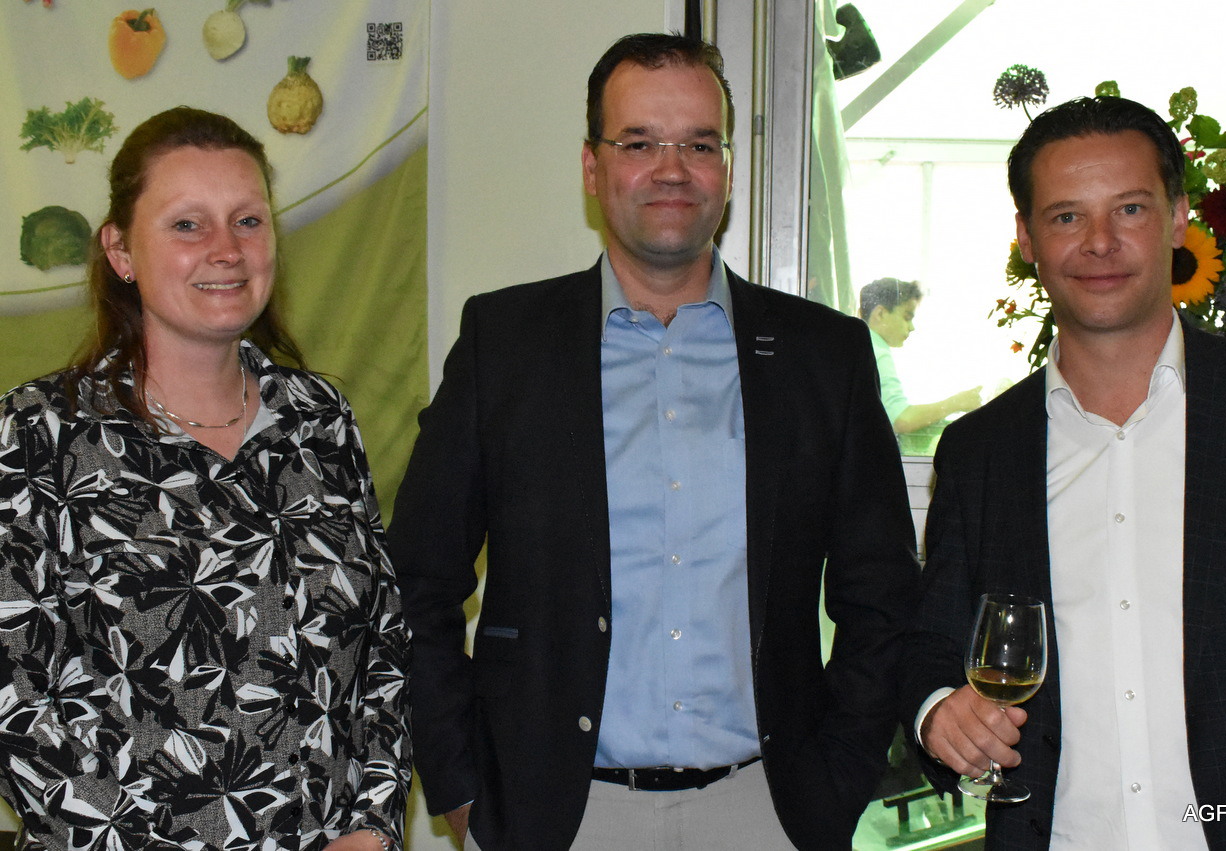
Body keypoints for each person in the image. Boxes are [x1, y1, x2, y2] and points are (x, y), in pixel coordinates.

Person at [388, 32, 920, 851]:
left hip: (767, 812)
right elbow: (416, 581)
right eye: (639, 143)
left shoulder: (824, 356)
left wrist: (840, 777)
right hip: (562, 819)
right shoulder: (505, 344)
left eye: (699, 144)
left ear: (728, 170)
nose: (672, 169)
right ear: (592, 167)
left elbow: (881, 593)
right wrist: (461, 786)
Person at [0, 107, 411, 851]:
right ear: (121, 250)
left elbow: (381, 645)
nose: (226, 249)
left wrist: (371, 823)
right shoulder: (37, 436)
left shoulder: (318, 419)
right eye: (187, 225)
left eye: (248, 220)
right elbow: (16, 704)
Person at [901, 95, 1226, 849]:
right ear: (1027, 238)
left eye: (1130, 209)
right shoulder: (980, 452)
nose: (1100, 242)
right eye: (1067, 216)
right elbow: (931, 645)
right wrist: (938, 711)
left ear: (1179, 219)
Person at [858, 277, 982, 434]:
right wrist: (956, 403)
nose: (912, 327)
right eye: (907, 317)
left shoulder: (858, 346)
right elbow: (901, 420)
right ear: (880, 314)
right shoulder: (878, 352)